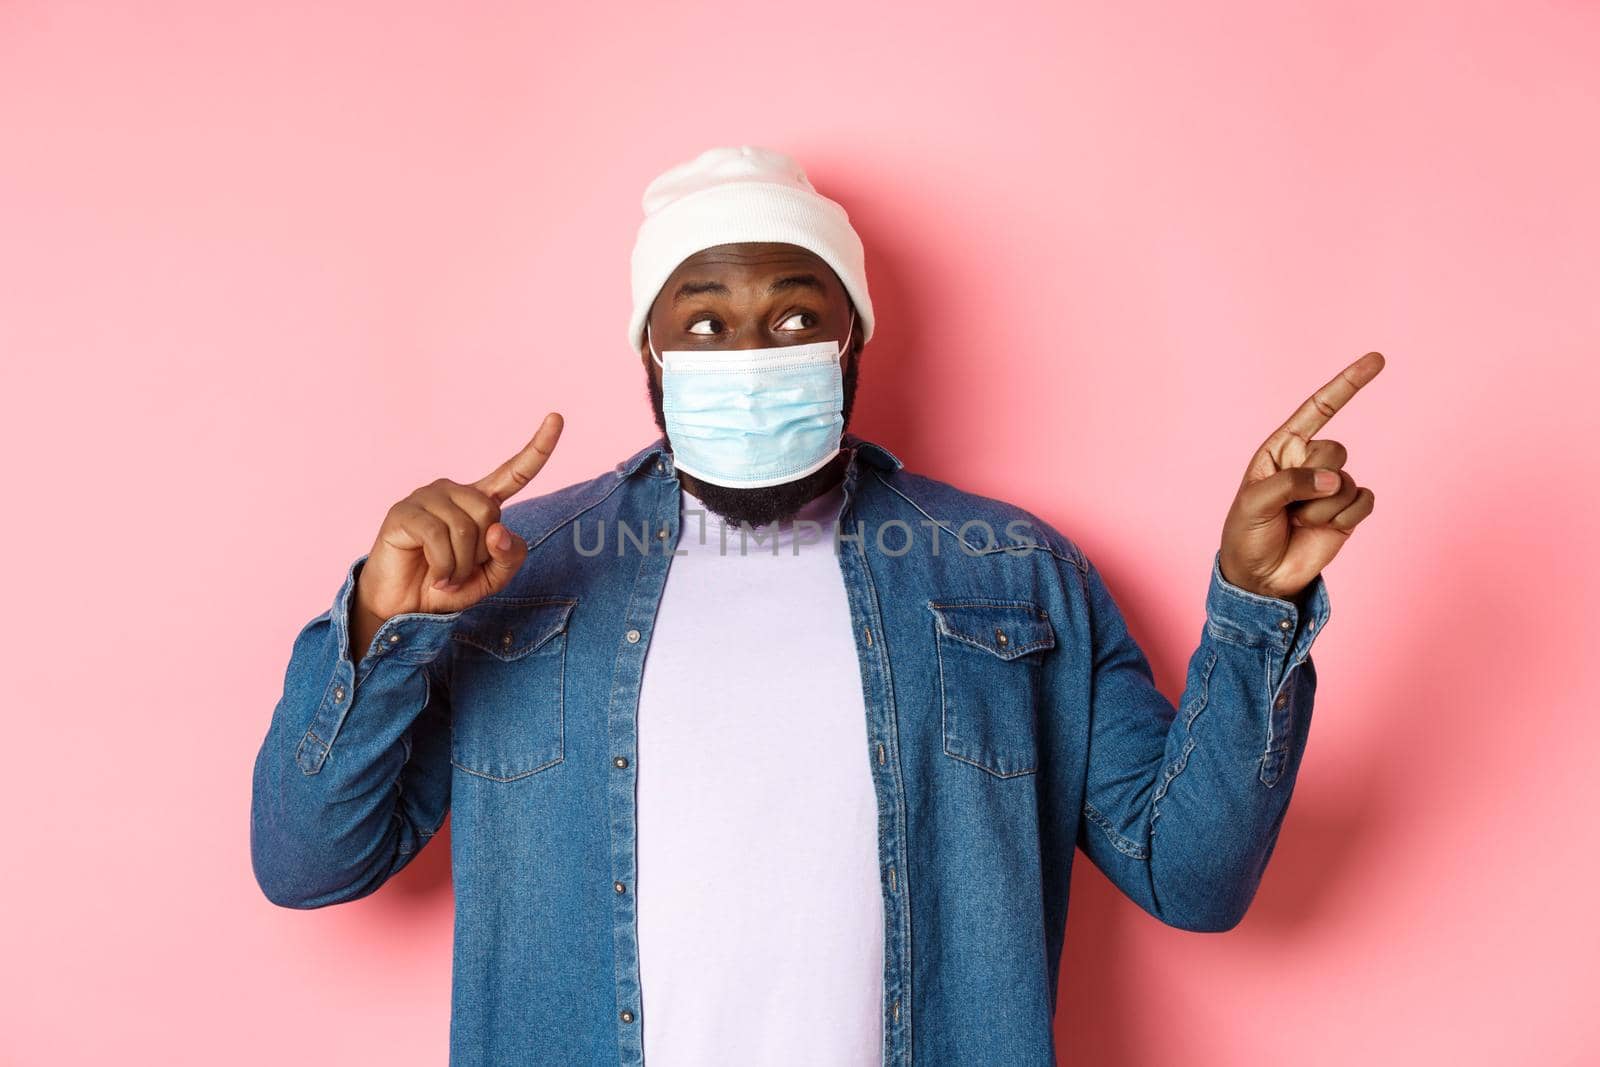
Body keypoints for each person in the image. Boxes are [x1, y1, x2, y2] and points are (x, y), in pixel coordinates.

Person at [250, 144, 1380, 1066]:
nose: (752, 352)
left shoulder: (1010, 570)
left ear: (854, 347)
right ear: (649, 359)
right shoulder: (516, 567)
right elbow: (307, 862)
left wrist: (1254, 606)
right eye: (704, 324)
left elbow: (1192, 877)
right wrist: (382, 631)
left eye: (796, 319)